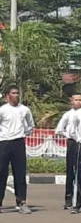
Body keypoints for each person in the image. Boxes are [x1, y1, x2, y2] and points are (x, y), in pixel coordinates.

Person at [0, 85, 34, 214]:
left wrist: (24, 133)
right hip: (3, 143)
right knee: (1, 173)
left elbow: (30, 125)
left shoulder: (24, 110)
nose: (16, 95)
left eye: (17, 93)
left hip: (19, 143)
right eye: (13, 93)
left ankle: (21, 202)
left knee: (19, 173)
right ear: (7, 96)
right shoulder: (2, 110)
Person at [55, 93, 81, 210]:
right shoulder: (68, 115)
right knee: (71, 172)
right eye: (76, 100)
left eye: (80, 100)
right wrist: (70, 136)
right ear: (72, 102)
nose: (79, 102)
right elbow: (59, 130)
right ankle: (69, 200)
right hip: (73, 143)